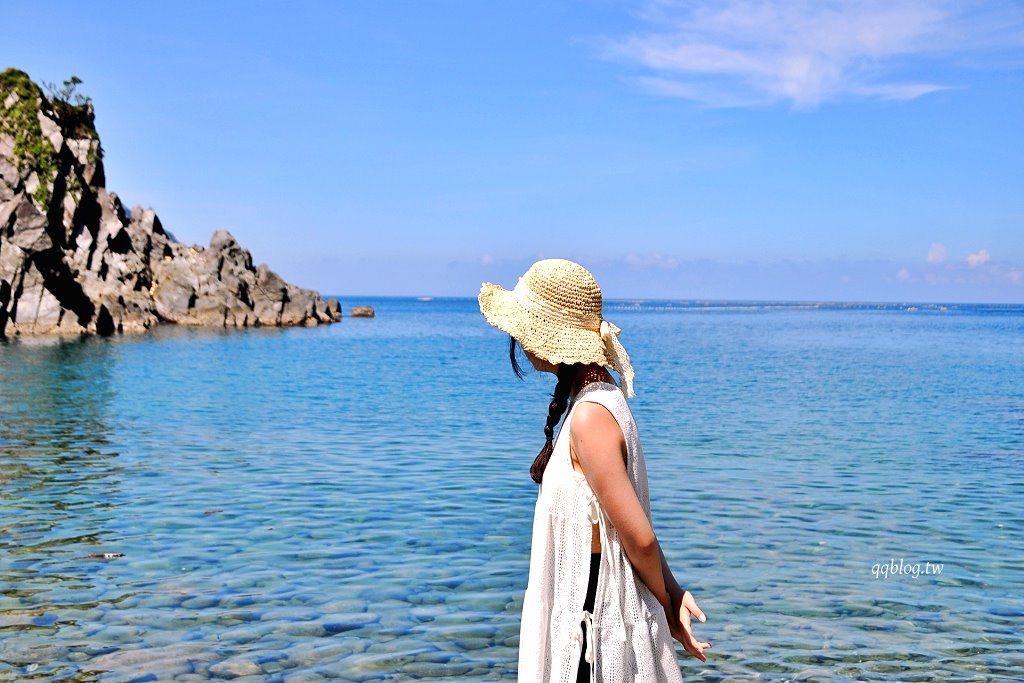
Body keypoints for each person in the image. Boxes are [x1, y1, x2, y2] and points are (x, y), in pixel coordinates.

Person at [478, 258, 711, 682]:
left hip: (592, 617)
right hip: (594, 607)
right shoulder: (598, 400)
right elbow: (631, 527)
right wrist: (671, 593)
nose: (518, 340)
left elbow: (638, 537)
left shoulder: (589, 416)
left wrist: (669, 603)